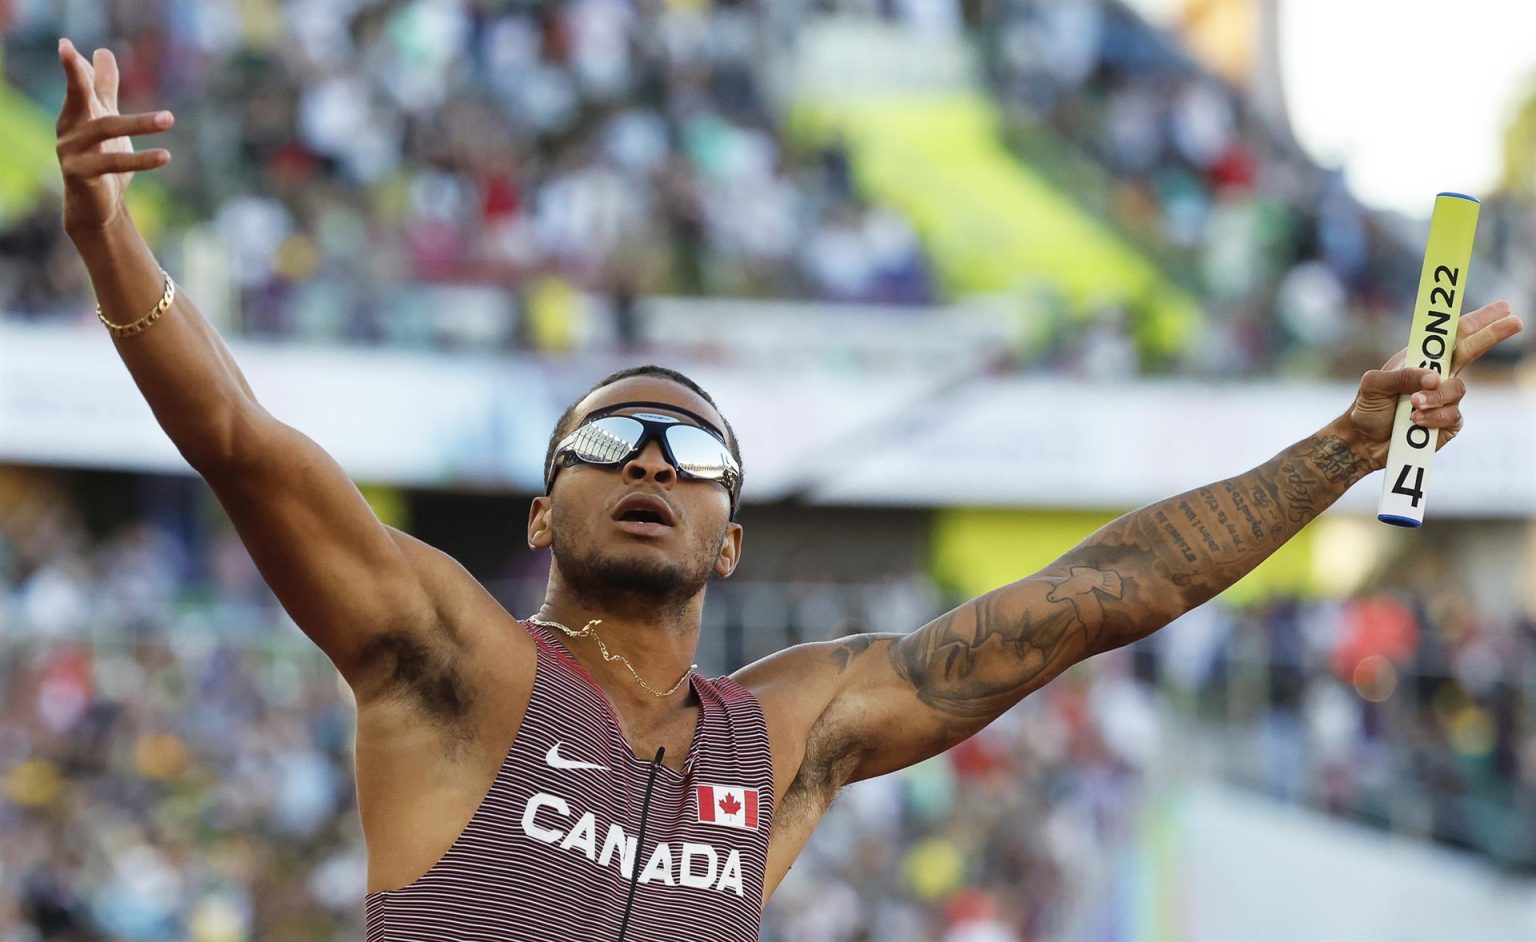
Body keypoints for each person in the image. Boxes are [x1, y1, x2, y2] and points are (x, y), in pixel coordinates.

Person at [51, 37, 1524, 942]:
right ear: (538, 512)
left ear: (732, 537)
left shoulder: (787, 738)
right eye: (611, 440)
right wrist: (112, 242)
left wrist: (1343, 447)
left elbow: (1097, 599)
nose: (649, 461)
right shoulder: (448, 657)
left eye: (693, 453)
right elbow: (244, 441)